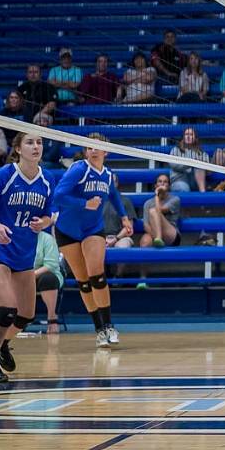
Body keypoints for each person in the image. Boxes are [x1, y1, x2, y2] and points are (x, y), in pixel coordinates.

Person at [0, 132, 55, 383]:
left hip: (24, 251)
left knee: (25, 314)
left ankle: (1, 343)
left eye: (40, 142)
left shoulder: (47, 180)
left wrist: (42, 223)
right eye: (30, 142)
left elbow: (49, 215)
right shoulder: (3, 175)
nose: (36, 146)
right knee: (7, 307)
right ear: (18, 148)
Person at [52, 133, 133, 348]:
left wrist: (124, 216)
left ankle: (108, 326)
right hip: (67, 231)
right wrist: (84, 203)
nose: (93, 150)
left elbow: (114, 195)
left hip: (92, 229)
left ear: (106, 151)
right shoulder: (79, 169)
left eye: (98, 146)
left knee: (97, 275)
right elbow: (58, 196)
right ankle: (98, 329)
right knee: (83, 281)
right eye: (89, 147)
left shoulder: (107, 174)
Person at [139, 175, 182, 249]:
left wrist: (157, 194)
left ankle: (159, 238)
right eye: (160, 181)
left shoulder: (175, 199)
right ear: (156, 185)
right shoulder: (148, 203)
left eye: (165, 182)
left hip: (171, 234)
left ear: (168, 186)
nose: (162, 184)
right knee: (145, 242)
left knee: (153, 211)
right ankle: (158, 239)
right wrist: (154, 235)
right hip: (153, 231)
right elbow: (146, 226)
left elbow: (159, 210)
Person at [33, 230, 63, 335]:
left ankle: (52, 318)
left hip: (45, 273)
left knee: (48, 279)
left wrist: (31, 276)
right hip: (21, 274)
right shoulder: (15, 237)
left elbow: (51, 265)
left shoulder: (47, 238)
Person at [168, 127, 208, 193]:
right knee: (184, 189)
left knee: (200, 165)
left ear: (195, 138)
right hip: (179, 179)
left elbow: (206, 167)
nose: (188, 136)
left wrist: (198, 163)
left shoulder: (201, 152)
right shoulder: (175, 150)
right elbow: (173, 165)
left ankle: (203, 193)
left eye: (191, 134)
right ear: (183, 137)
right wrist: (191, 163)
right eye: (186, 134)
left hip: (195, 181)